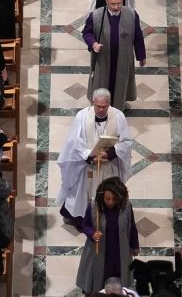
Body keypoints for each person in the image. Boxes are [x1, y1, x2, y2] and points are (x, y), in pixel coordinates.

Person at [56, 89, 134, 225]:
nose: (101, 109)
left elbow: (126, 142)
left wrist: (109, 154)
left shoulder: (118, 116)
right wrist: (90, 156)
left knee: (109, 192)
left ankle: (105, 219)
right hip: (87, 165)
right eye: (98, 106)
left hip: (109, 165)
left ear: (109, 103)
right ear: (93, 102)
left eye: (105, 106)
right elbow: (74, 141)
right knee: (84, 193)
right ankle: (82, 220)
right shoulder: (82, 116)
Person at [75, 176, 139, 295]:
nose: (110, 202)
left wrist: (135, 246)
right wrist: (92, 233)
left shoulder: (126, 206)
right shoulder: (94, 207)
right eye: (107, 198)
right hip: (99, 250)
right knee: (99, 277)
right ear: (102, 196)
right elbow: (85, 225)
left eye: (114, 199)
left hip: (119, 250)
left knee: (118, 276)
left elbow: (132, 227)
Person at [82, 0, 147, 104]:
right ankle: (101, 106)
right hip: (104, 59)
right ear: (106, 1)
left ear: (122, 0)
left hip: (123, 59)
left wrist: (141, 55)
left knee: (120, 84)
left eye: (119, 4)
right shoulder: (96, 15)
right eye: (113, 4)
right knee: (102, 84)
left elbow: (138, 36)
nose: (116, 7)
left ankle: (118, 107)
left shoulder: (132, 15)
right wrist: (93, 43)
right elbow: (87, 32)